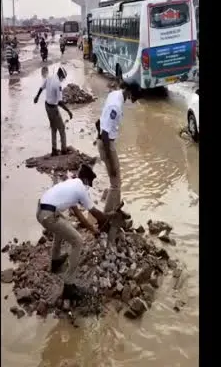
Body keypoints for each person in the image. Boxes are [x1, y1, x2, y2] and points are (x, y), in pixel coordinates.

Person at [37, 164, 108, 299]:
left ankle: (56, 261)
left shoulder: (71, 184)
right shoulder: (81, 188)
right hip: (49, 215)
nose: (89, 187)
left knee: (62, 226)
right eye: (89, 184)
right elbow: (94, 211)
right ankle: (69, 285)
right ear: (86, 180)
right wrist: (106, 221)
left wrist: (93, 230)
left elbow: (79, 215)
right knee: (78, 241)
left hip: (41, 210)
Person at [95, 81, 141, 242]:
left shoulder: (115, 94)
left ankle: (115, 210)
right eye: (135, 96)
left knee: (116, 182)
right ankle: (105, 219)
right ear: (129, 91)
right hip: (107, 144)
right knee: (115, 182)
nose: (134, 100)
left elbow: (99, 122)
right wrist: (109, 158)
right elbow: (106, 133)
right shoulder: (116, 105)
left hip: (106, 142)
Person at [34, 67, 72, 156]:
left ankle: (54, 149)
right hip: (53, 109)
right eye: (63, 77)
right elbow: (59, 102)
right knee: (62, 128)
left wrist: (37, 97)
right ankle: (63, 150)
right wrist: (68, 111)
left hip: (47, 106)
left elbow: (41, 88)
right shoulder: (58, 84)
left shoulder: (49, 77)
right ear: (61, 75)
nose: (63, 79)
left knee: (54, 128)